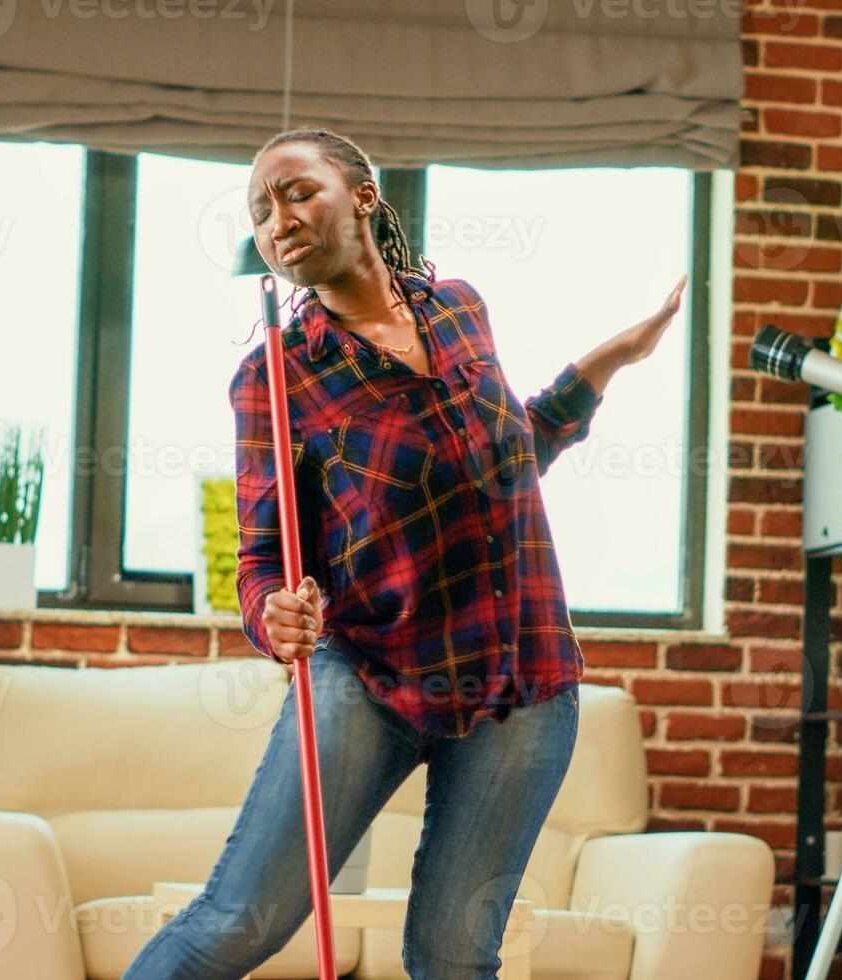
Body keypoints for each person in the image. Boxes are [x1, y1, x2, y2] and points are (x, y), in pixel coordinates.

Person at [122, 128, 685, 980]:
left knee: (454, 958)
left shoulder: (459, 307)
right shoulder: (277, 376)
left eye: (295, 191)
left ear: (363, 195)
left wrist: (603, 364)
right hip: (373, 678)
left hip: (521, 682)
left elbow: (503, 456)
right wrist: (272, 615)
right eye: (260, 211)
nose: (277, 220)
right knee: (240, 922)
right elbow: (263, 555)